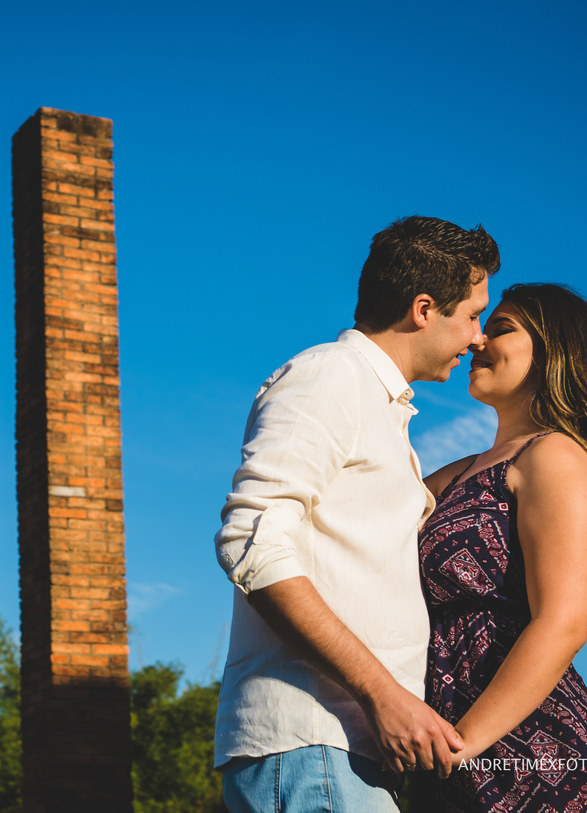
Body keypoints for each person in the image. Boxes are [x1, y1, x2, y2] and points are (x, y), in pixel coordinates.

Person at [214, 216, 500, 812]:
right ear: (424, 308)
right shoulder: (329, 377)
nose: (479, 338)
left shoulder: (383, 408)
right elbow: (251, 541)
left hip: (342, 753)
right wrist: (383, 695)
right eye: (473, 314)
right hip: (313, 743)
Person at [418, 283, 587, 811]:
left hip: (535, 760)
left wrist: (463, 746)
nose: (477, 341)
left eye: (501, 329)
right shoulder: (450, 476)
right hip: (443, 749)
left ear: (556, 352)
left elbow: (563, 623)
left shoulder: (554, 455)